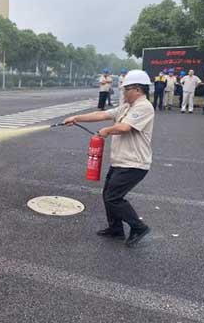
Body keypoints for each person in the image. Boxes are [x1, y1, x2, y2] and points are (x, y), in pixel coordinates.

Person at [63, 70, 154, 247]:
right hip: (121, 161)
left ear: (137, 89)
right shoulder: (127, 106)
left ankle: (139, 227)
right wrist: (76, 118)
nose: (123, 92)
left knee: (113, 197)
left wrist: (106, 130)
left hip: (134, 163)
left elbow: (125, 127)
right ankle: (116, 229)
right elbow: (102, 114)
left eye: (125, 89)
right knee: (108, 195)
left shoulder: (144, 106)